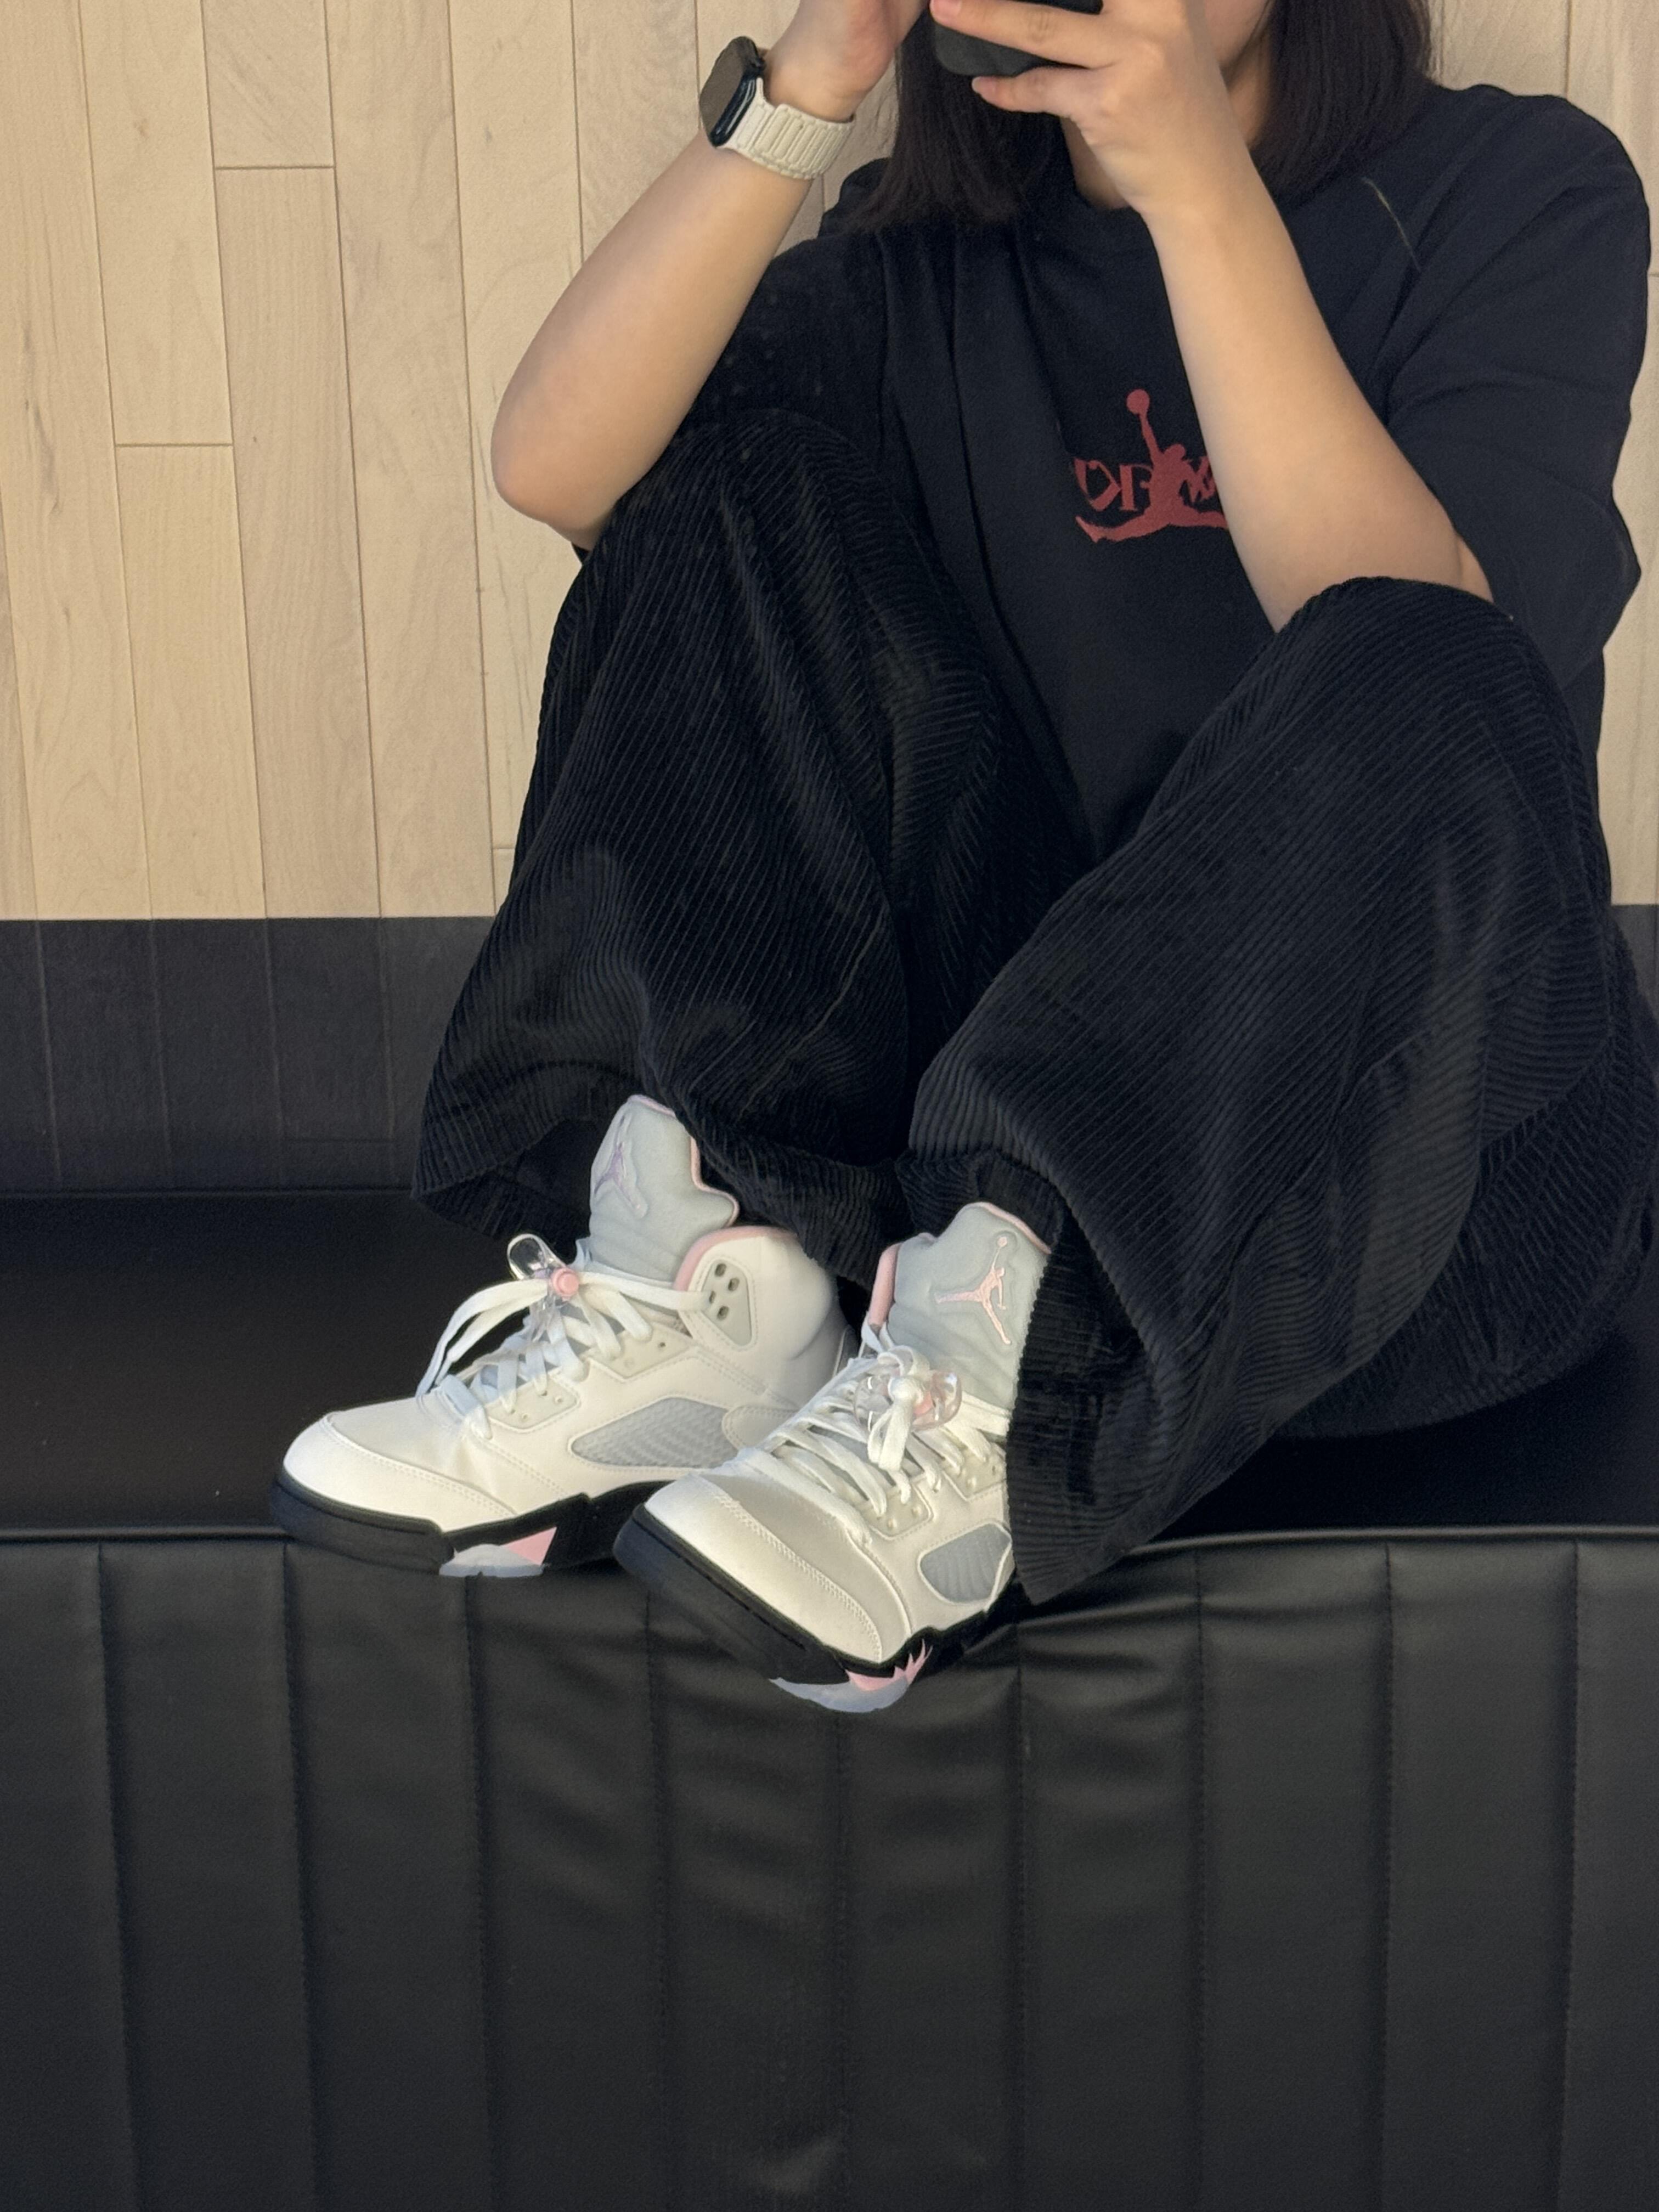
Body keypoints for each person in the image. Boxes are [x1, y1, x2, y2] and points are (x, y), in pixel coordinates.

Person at [270, 0, 1658, 1717]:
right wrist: (817, 77)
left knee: (1423, 643)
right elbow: (560, 466)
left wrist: (1196, 192)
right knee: (717, 480)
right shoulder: (924, 264)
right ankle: (714, 1289)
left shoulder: (1516, 187)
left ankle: (1005, 1404)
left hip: (1428, 1202)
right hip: (962, 1219)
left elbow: (1417, 670)